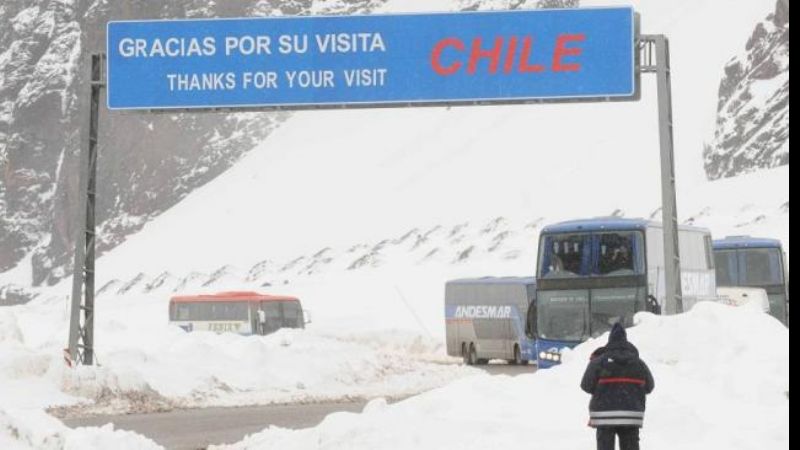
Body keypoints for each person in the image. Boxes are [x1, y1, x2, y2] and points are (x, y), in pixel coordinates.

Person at [580, 323, 654, 450]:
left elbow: (586, 385)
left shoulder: (599, 361)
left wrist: (603, 391)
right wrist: (632, 391)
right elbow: (649, 386)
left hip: (603, 416)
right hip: (631, 415)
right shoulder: (638, 363)